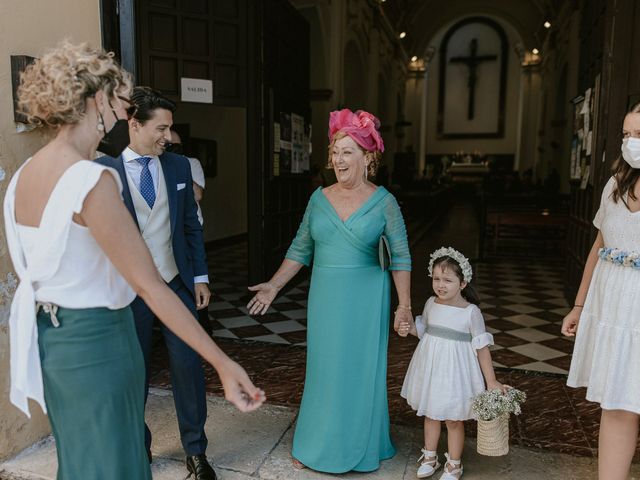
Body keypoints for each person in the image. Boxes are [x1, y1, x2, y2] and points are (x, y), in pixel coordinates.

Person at [4, 42, 265, 480]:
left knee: (84, 459)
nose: (121, 111)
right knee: (115, 463)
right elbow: (148, 285)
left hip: (55, 342)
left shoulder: (24, 175)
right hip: (101, 342)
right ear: (96, 101)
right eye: (119, 100)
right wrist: (222, 361)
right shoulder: (92, 178)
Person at [246, 108, 413, 473]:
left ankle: (362, 443)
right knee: (324, 368)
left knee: (360, 369)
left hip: (368, 298)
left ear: (367, 157)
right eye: (335, 151)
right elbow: (300, 248)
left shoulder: (385, 201)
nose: (338, 159)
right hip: (326, 297)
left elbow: (401, 256)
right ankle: (317, 445)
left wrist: (404, 307)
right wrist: (274, 285)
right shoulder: (318, 199)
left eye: (347, 151)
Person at [95, 87, 216, 479]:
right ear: (134, 124)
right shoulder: (105, 172)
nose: (168, 136)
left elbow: (190, 228)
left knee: (188, 368)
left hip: (175, 282)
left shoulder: (179, 168)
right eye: (161, 128)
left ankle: (196, 452)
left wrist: (199, 277)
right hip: (128, 290)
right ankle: (138, 444)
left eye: (170, 128)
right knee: (133, 372)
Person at [562, 101, 640, 480]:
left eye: (639, 135)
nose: (630, 142)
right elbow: (599, 245)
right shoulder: (615, 184)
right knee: (617, 401)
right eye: (626, 134)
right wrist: (578, 305)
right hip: (610, 303)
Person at [400, 247, 506, 480]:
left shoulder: (470, 312)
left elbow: (481, 347)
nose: (441, 284)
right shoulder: (431, 303)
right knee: (431, 413)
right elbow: (424, 331)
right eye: (436, 279)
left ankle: (454, 464)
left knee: (453, 418)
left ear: (463, 283)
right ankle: (430, 456)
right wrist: (407, 328)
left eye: (447, 280)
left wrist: (491, 380)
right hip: (430, 369)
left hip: (456, 373)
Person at [167, 129, 211, 335]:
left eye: (175, 145)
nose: (169, 145)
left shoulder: (190, 163)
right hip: (167, 230)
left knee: (193, 273)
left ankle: (201, 322)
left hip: (190, 226)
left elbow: (198, 195)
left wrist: (179, 165)